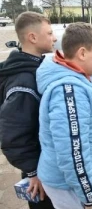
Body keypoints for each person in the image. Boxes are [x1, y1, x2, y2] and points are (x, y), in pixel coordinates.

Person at [36, 22, 92, 209]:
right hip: (71, 185)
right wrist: (90, 196)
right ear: (83, 53)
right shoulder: (69, 90)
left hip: (78, 180)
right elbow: (73, 152)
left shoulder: (80, 76)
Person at [0, 12, 56, 209]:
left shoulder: (38, 67)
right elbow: (13, 135)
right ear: (32, 37)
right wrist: (33, 172)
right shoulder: (23, 81)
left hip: (48, 166)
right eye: (49, 33)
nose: (54, 38)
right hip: (40, 174)